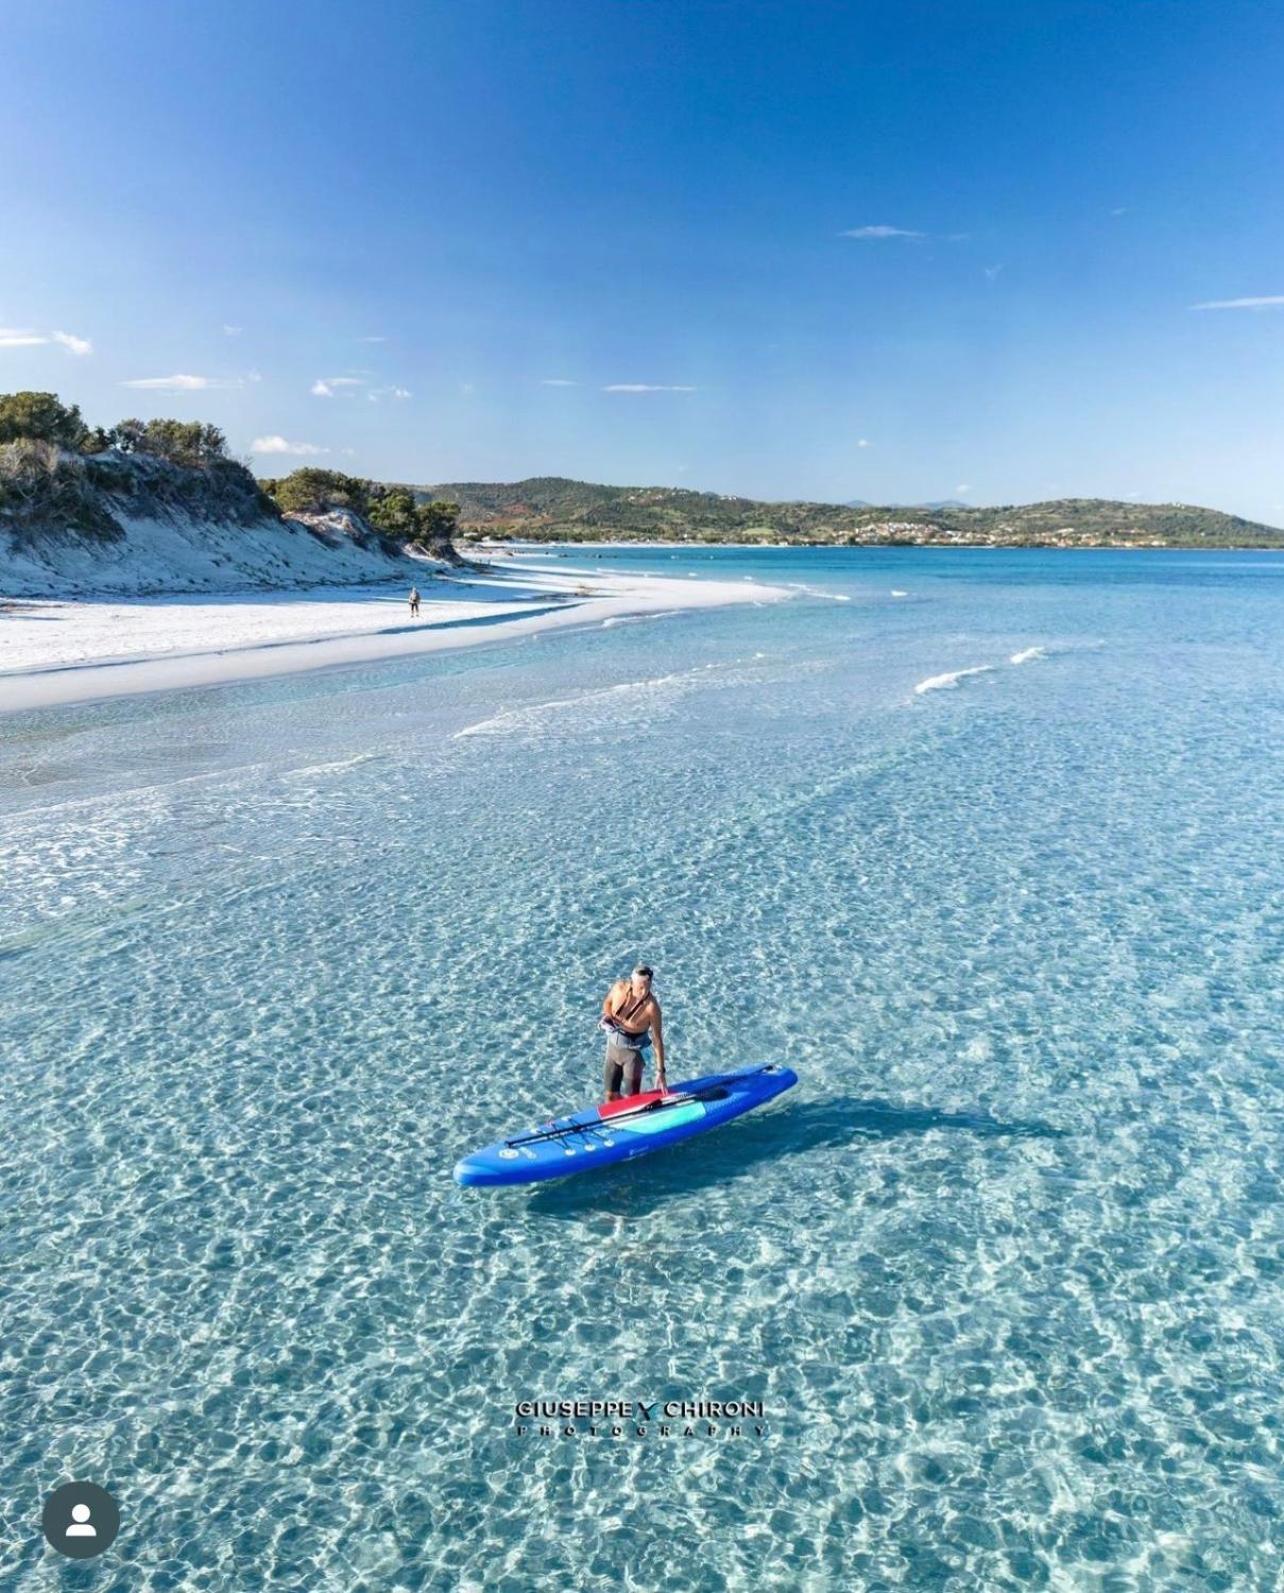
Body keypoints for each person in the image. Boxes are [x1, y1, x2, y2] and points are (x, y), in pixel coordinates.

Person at [600, 964, 665, 1101]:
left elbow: (657, 1040)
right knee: (610, 1096)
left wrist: (660, 1072)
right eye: (640, 987)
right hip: (613, 1049)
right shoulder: (619, 988)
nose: (644, 992)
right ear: (632, 982)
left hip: (634, 1054)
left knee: (632, 1098)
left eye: (648, 987)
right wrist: (608, 1016)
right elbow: (607, 1002)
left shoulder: (652, 1008)